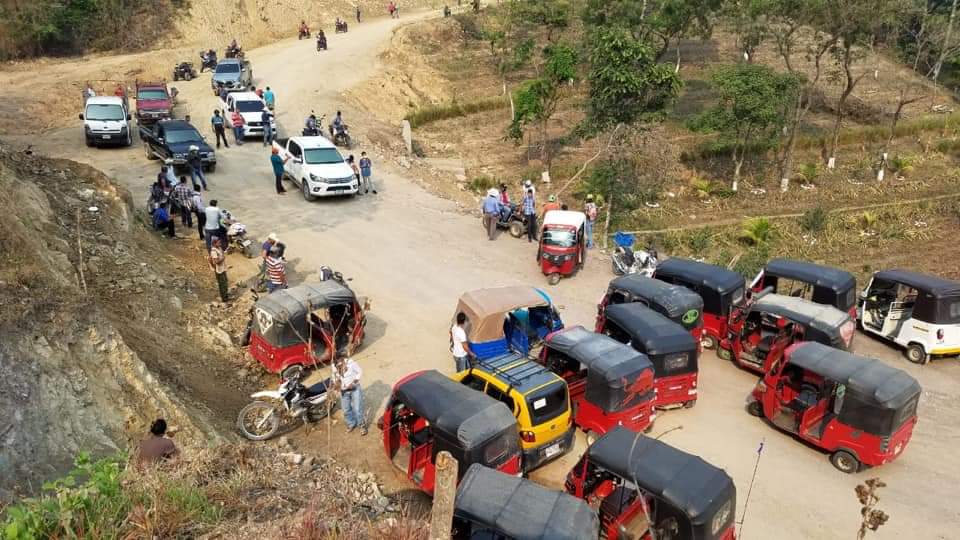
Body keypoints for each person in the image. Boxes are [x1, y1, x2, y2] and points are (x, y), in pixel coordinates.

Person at [333, 356, 366, 435]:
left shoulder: (350, 362)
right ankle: (351, 423)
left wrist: (353, 383)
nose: (339, 366)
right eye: (337, 365)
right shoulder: (334, 366)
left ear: (343, 360)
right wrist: (337, 385)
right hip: (344, 391)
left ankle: (361, 425)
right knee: (346, 409)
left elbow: (360, 371)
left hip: (355, 388)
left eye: (341, 364)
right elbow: (334, 377)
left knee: (357, 408)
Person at [209, 237, 229, 302]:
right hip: (219, 270)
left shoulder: (219, 248)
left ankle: (226, 295)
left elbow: (222, 253)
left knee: (225, 282)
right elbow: (215, 262)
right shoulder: (214, 251)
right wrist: (222, 258)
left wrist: (225, 252)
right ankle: (224, 299)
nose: (220, 243)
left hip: (223, 268)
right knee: (222, 284)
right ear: (214, 243)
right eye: (219, 242)